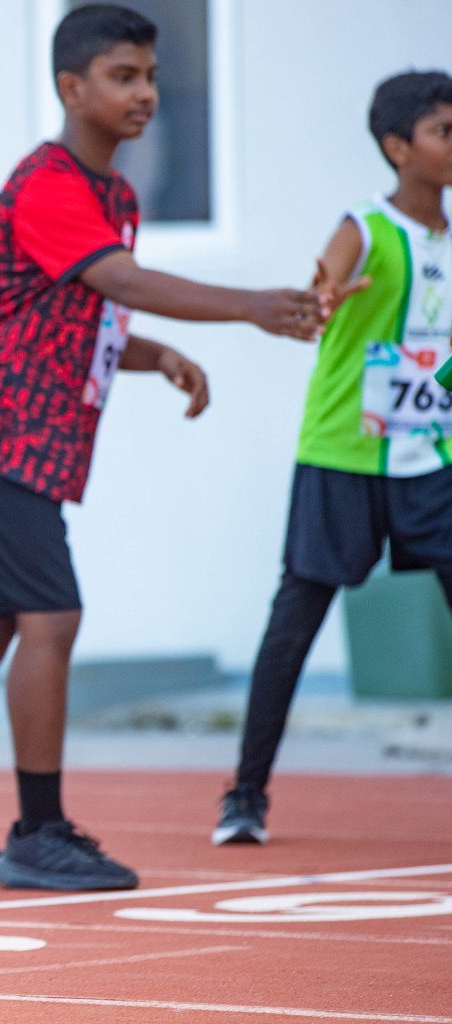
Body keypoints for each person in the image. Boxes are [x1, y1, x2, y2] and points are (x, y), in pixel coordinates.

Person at [0, 3, 322, 892]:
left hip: (10, 437)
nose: (146, 92)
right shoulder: (48, 183)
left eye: (153, 76)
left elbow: (84, 312)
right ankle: (38, 830)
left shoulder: (114, 196)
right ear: (70, 87)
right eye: (125, 75)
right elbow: (116, 281)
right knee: (49, 619)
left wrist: (158, 356)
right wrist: (250, 306)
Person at [214, 70, 452, 846]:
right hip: (345, 452)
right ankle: (245, 796)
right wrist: (318, 304)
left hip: (432, 457)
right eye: (444, 131)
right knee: (296, 621)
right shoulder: (364, 227)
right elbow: (316, 299)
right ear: (398, 148)